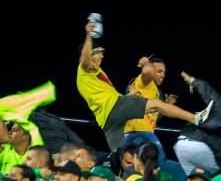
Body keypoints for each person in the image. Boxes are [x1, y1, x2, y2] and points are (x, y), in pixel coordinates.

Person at [77, 21, 213, 152]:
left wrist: (129, 95)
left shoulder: (93, 75)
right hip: (118, 113)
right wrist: (89, 35)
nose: (102, 55)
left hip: (107, 121)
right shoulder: (85, 68)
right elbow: (84, 59)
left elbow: (103, 98)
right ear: (89, 54)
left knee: (122, 159)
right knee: (157, 104)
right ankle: (196, 118)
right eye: (99, 52)